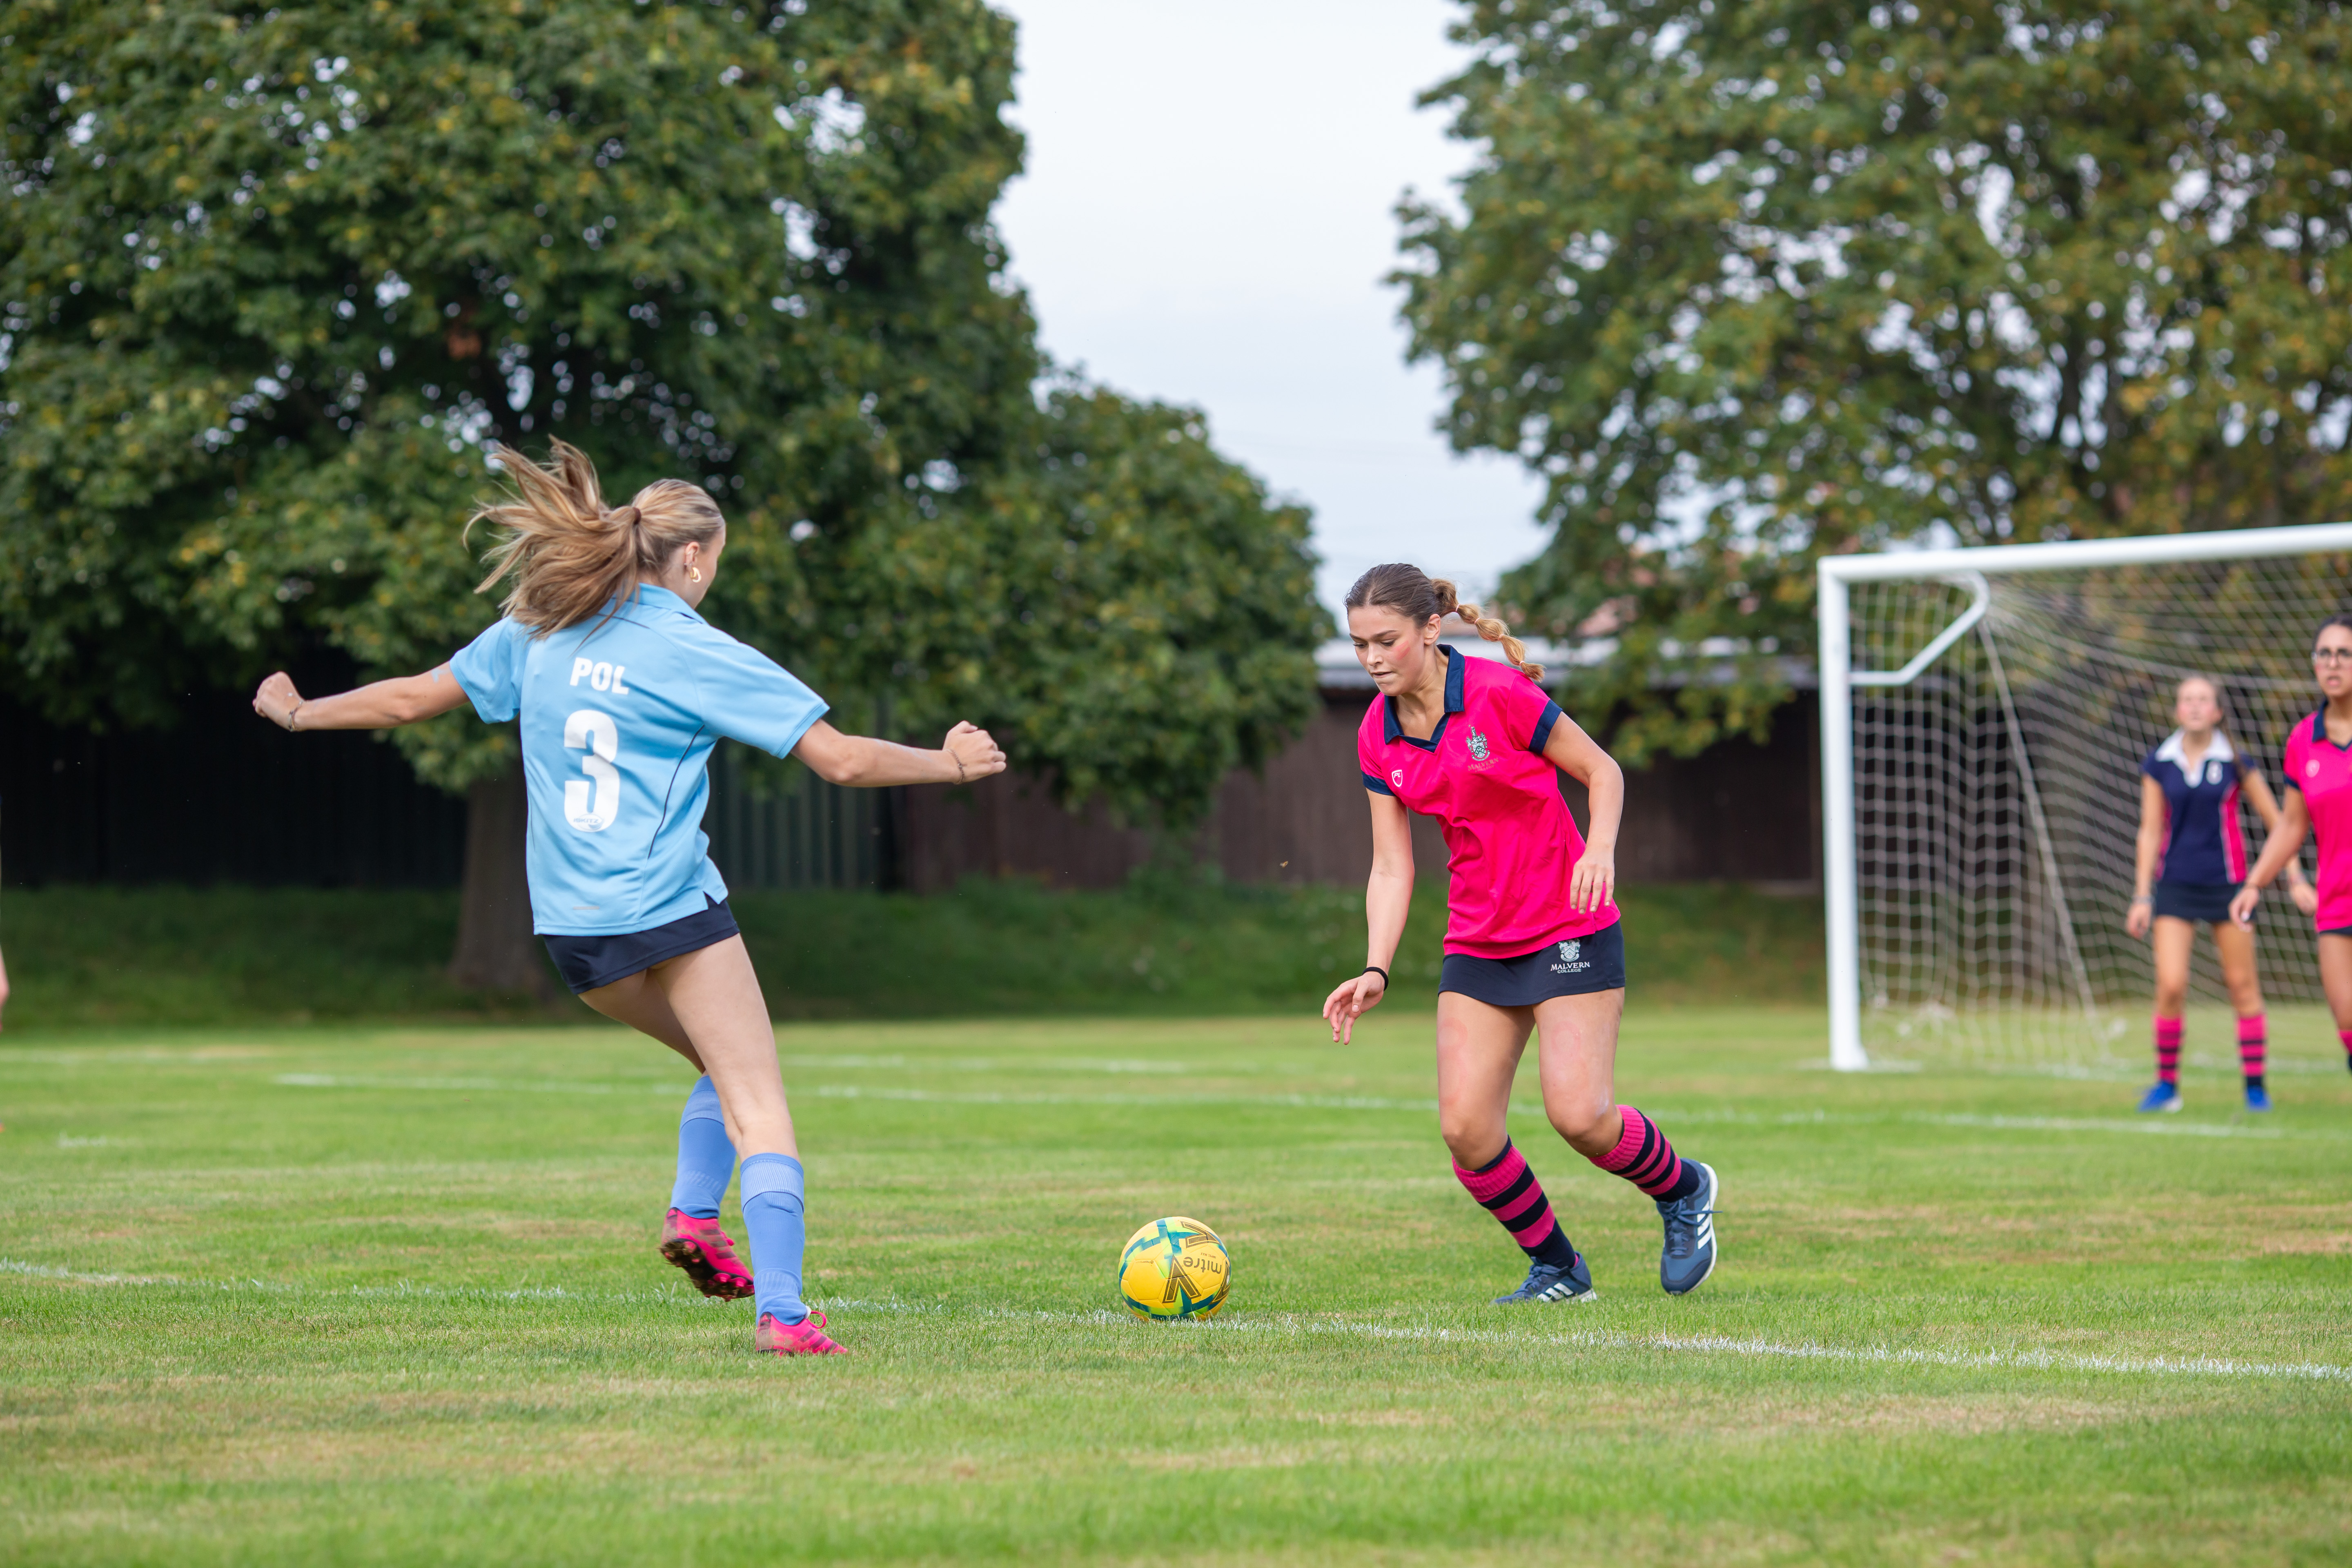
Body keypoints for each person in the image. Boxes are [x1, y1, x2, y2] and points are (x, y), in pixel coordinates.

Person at [251, 440, 1005, 1356]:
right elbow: (841, 760)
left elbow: (411, 699)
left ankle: (696, 1218)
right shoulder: (689, 646)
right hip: (673, 910)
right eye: (714, 566)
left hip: (574, 934)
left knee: (724, 1072)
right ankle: (785, 1316)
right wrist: (951, 764)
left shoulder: (539, 627)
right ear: (692, 557)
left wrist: (299, 712)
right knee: (759, 1098)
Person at [1320, 564, 1717, 1305]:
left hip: (1568, 924)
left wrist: (1598, 850)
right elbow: (1390, 867)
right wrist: (1375, 968)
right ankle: (1560, 1269)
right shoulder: (1377, 734)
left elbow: (1602, 772)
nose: (1372, 658)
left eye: (1386, 641)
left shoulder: (1501, 696)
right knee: (1468, 1131)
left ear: (1430, 630)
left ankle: (1687, 1188)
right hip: (1478, 939)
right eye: (1359, 644)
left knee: (1582, 1118)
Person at [2125, 675, 2310, 1113]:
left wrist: (2295, 877)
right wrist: (2141, 895)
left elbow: (2281, 822)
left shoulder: (2236, 762)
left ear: (2217, 712)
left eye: (2202, 700)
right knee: (2171, 984)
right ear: (2176, 710)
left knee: (2241, 985)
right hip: (2174, 887)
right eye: (2186, 699)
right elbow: (2150, 831)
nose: (2193, 706)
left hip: (2230, 888)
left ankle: (2255, 1090)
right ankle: (2167, 1087)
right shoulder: (2160, 763)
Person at [2232, 612, 2352, 1084]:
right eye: (2324, 654)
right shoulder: (2305, 739)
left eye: (2344, 653)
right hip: (2335, 899)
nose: (2333, 663)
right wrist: (2254, 883)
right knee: (2346, 1016)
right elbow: (2291, 825)